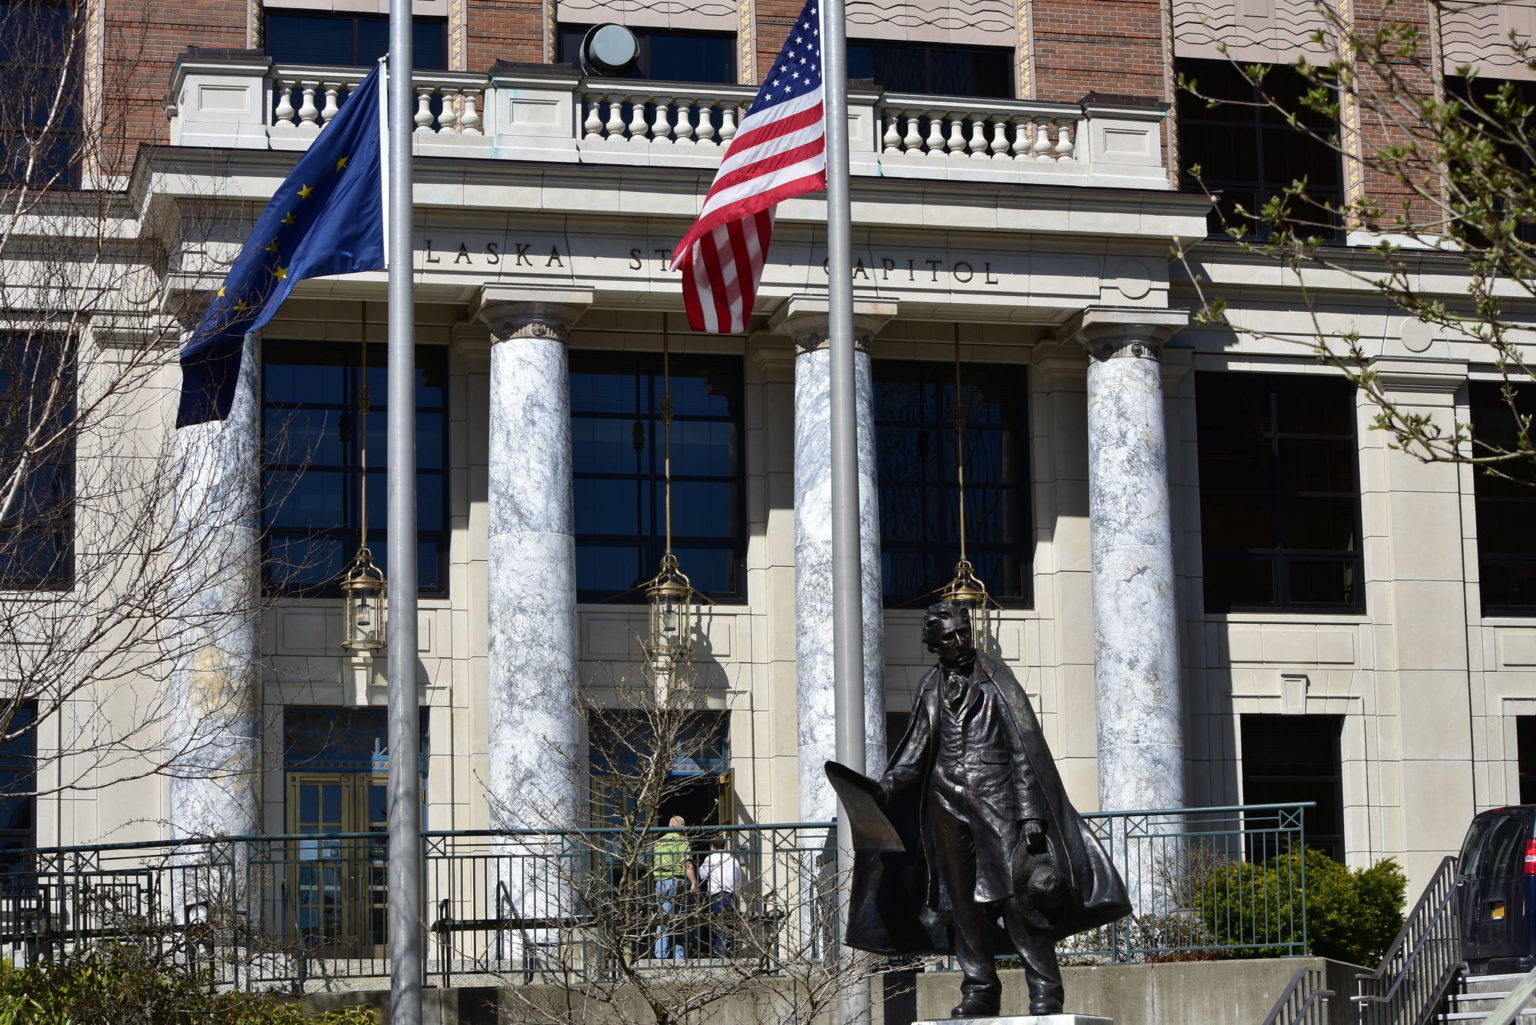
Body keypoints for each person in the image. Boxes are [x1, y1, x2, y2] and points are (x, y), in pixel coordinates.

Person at [829, 602, 1130, 1018]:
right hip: (946, 802)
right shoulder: (930, 687)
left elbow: (1024, 747)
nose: (960, 640)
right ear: (934, 644)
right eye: (949, 636)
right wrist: (884, 790)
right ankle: (980, 989)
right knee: (961, 901)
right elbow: (915, 753)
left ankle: (1045, 987)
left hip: (997, 798)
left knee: (1019, 894)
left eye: (963, 631)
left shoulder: (995, 677)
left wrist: (1031, 813)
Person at [650, 814, 698, 960]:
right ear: (681, 826)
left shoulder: (659, 842)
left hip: (660, 882)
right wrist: (694, 882)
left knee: (664, 918)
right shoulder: (681, 841)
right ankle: (676, 956)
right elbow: (687, 864)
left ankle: (662, 954)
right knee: (680, 919)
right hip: (676, 881)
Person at [698, 836, 743, 957]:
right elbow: (738, 879)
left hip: (717, 894)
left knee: (718, 924)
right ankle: (730, 952)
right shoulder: (733, 859)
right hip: (731, 894)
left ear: (712, 847)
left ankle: (720, 953)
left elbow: (702, 875)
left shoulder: (710, 858)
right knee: (729, 923)